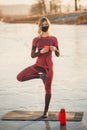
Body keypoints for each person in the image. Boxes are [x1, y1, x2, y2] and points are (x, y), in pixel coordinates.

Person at [17, 17, 60, 118]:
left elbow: (58, 54)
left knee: (48, 89)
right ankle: (39, 76)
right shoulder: (36, 40)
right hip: (38, 66)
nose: (45, 26)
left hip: (48, 68)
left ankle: (46, 111)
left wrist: (55, 50)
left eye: (46, 24)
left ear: (49, 25)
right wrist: (40, 52)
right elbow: (32, 55)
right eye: (43, 24)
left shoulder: (53, 39)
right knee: (19, 77)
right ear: (40, 26)